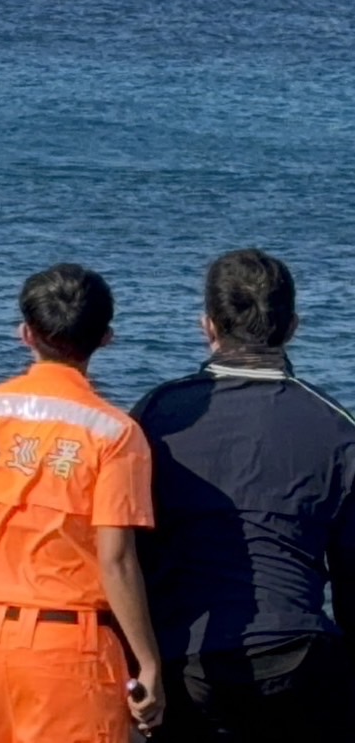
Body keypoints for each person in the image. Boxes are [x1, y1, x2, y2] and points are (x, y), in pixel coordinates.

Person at [0, 263, 163, 742]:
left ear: (25, 333)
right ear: (106, 338)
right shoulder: (114, 433)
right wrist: (148, 660)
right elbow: (115, 561)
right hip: (68, 645)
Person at [132, 249, 355, 741]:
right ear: (292, 326)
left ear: (208, 325)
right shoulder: (336, 426)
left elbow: (127, 550)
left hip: (184, 656)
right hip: (298, 651)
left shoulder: (157, 414)